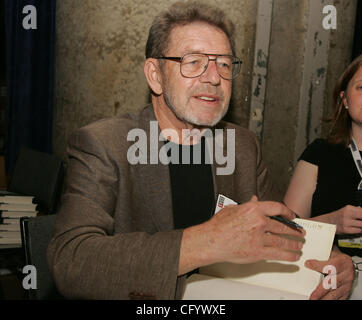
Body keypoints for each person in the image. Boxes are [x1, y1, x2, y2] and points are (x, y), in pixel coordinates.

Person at [47, 1, 353, 300]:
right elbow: (71, 262)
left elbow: (286, 227)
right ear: (155, 75)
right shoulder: (104, 144)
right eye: (194, 62)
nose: (213, 77)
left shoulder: (242, 146)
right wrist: (205, 242)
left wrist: (333, 257)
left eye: (223, 63)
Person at [284, 55, 362, 297]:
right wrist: (331, 223)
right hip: (327, 280)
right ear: (344, 99)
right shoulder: (320, 153)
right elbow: (284, 231)